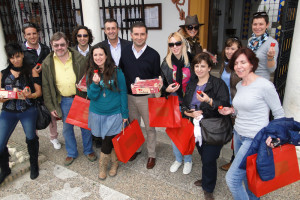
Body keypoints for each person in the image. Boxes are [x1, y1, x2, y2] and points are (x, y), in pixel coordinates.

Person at [219, 47, 284, 200]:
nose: (239, 66)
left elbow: (279, 113)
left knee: (232, 179)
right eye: (236, 63)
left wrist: (275, 136)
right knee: (248, 176)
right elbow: (242, 109)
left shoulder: (264, 85)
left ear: (252, 64)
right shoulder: (240, 85)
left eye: (243, 62)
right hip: (238, 135)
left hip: (254, 139)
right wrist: (231, 111)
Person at [42, 32, 96, 166]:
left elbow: (88, 76)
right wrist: (51, 106)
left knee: (85, 127)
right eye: (56, 45)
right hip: (64, 100)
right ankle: (71, 153)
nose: (59, 47)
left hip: (80, 97)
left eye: (62, 44)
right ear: (51, 45)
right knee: (67, 128)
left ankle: (88, 150)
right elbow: (46, 86)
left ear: (67, 44)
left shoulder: (79, 58)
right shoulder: (47, 62)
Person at [182, 52, 230, 200]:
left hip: (213, 127)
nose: (199, 69)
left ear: (209, 67)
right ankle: (207, 178)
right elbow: (184, 105)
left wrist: (209, 100)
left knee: (209, 158)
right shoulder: (191, 84)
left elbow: (224, 105)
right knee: (204, 155)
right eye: (196, 65)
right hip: (197, 128)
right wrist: (189, 113)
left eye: (203, 66)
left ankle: (208, 188)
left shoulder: (218, 83)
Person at [119, 22, 161, 169]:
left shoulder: (154, 55)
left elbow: (156, 77)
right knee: (133, 126)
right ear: (131, 35)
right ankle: (136, 149)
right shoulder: (124, 52)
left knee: (150, 127)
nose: (139, 37)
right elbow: (121, 72)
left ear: (146, 35)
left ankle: (151, 155)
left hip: (147, 98)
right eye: (136, 34)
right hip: (130, 97)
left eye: (142, 34)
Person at [0, 43, 42, 184]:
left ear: (22, 55)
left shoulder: (31, 71)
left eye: (17, 56)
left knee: (31, 138)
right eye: (12, 58)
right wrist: (10, 95)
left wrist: (30, 95)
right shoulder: (3, 74)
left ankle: (34, 165)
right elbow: (0, 97)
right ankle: (5, 169)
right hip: (9, 111)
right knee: (0, 142)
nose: (15, 60)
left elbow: (38, 92)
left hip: (27, 110)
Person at [86, 43, 128, 180]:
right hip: (97, 112)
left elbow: (123, 93)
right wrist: (95, 84)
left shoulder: (117, 71)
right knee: (107, 139)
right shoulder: (91, 72)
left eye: (101, 54)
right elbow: (92, 96)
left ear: (106, 56)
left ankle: (103, 166)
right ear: (92, 57)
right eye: (95, 55)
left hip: (114, 113)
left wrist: (125, 114)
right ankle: (114, 164)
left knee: (109, 139)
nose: (98, 57)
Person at [21, 22, 61, 150]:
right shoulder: (21, 51)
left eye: (34, 33)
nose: (32, 36)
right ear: (24, 35)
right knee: (31, 115)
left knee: (51, 112)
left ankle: (54, 137)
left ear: (38, 34)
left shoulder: (45, 49)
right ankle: (33, 141)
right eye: (29, 34)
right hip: (30, 88)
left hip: (46, 86)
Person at [160, 32, 193, 174]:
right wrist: (166, 89)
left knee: (187, 133)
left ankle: (188, 160)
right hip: (173, 103)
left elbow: (199, 80)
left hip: (189, 102)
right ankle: (178, 159)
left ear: (182, 44)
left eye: (177, 43)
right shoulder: (166, 62)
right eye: (171, 44)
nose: (175, 47)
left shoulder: (191, 60)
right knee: (174, 134)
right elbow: (161, 84)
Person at [72, 25, 101, 148]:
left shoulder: (95, 50)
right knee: (83, 118)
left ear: (89, 37)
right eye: (79, 35)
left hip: (94, 87)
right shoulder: (71, 52)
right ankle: (88, 143)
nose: (82, 38)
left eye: (85, 35)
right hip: (78, 91)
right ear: (76, 37)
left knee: (96, 115)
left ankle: (97, 137)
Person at [219, 37, 242, 171]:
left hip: (236, 106)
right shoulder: (226, 64)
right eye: (227, 48)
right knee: (232, 133)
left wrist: (235, 107)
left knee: (237, 135)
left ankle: (236, 162)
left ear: (239, 50)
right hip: (226, 104)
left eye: (232, 48)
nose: (229, 51)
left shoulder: (240, 66)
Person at [248, 11, 279, 80]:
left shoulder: (272, 43)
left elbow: (272, 70)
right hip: (248, 78)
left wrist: (270, 57)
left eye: (261, 24)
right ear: (251, 25)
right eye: (255, 24)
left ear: (267, 25)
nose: (257, 27)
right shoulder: (250, 40)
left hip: (261, 80)